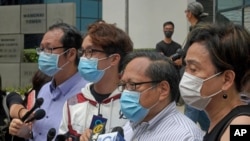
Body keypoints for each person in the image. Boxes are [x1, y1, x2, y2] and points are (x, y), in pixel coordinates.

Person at [84, 50, 202, 141]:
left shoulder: (186, 136)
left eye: (133, 85)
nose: (125, 92)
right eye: (124, 85)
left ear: (163, 90)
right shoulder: (132, 125)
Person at [8, 22, 88, 141]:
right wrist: (27, 133)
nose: (43, 55)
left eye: (49, 49)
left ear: (71, 54)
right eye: (41, 49)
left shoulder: (86, 93)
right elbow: (39, 134)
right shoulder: (45, 90)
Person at [58, 22, 133, 139]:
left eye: (90, 51)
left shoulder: (133, 104)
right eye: (82, 52)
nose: (83, 58)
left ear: (113, 59)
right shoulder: (73, 103)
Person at [179, 22, 250, 141]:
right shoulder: (218, 120)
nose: (186, 75)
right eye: (186, 67)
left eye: (193, 69)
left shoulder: (241, 126)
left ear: (227, 79)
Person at [182, 1, 210, 132]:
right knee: (197, 104)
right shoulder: (196, 28)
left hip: (196, 72)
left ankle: (186, 133)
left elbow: (198, 53)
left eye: (186, 11)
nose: (185, 14)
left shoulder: (199, 30)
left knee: (192, 102)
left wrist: (183, 60)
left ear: (190, 14)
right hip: (197, 71)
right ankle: (211, 129)